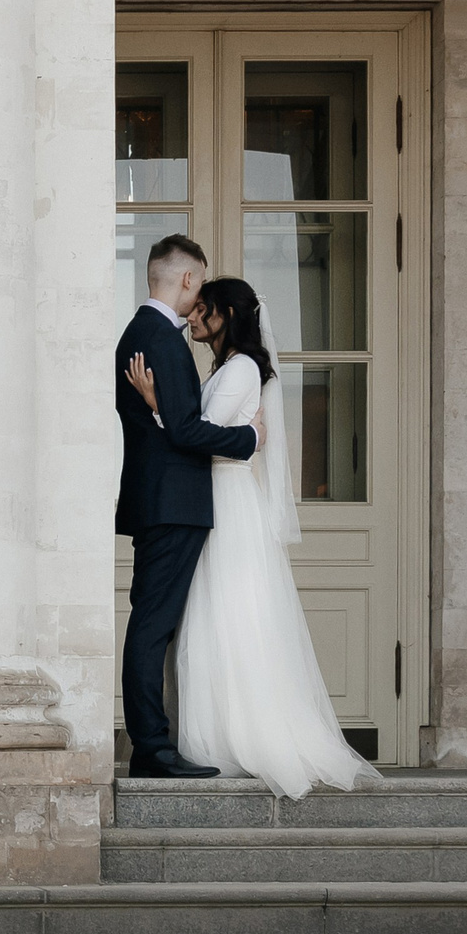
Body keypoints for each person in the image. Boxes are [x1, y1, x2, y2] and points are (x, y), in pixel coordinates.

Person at [126, 275, 381, 798]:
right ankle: (210, 734)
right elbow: (195, 427)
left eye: (202, 310)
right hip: (212, 495)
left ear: (224, 315)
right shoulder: (226, 368)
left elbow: (200, 437)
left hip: (226, 499)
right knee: (212, 619)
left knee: (229, 616)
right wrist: (164, 408)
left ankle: (236, 737)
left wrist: (168, 411)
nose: (193, 318)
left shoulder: (241, 368)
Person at [113, 235, 259, 781]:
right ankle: (152, 748)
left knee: (155, 626)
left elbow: (171, 420)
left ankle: (156, 743)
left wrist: (162, 410)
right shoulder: (159, 335)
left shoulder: (145, 331)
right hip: (171, 502)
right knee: (154, 627)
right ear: (188, 279)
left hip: (163, 500)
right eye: (199, 281)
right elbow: (188, 428)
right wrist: (249, 439)